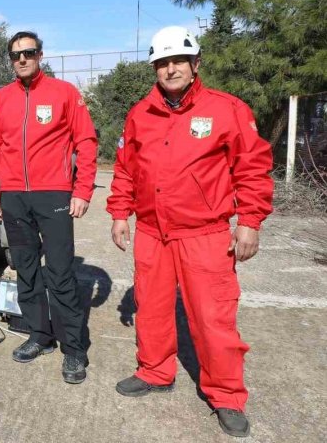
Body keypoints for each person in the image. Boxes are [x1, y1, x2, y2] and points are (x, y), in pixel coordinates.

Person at [106, 26, 273, 438]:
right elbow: (126, 167)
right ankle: (155, 371)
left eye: (178, 60)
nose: (170, 69)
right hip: (152, 233)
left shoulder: (226, 108)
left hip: (205, 234)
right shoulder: (140, 112)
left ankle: (226, 395)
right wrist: (119, 213)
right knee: (153, 308)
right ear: (154, 68)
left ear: (195, 64)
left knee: (213, 317)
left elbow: (252, 167)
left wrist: (249, 221)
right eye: (162, 63)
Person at [0, 31, 98, 384]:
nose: (22, 59)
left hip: (54, 194)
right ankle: (39, 335)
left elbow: (87, 141)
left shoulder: (65, 93)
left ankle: (74, 349)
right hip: (14, 195)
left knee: (60, 273)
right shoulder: (2, 99)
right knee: (26, 269)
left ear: (40, 55)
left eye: (28, 52)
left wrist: (82, 190)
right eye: (15, 54)